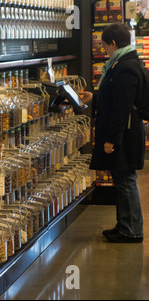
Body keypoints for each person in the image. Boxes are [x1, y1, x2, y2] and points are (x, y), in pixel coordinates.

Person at [80, 23, 146, 243]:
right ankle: (124, 225)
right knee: (122, 178)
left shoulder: (125, 67)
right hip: (125, 132)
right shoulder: (123, 62)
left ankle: (132, 230)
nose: (104, 49)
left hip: (124, 134)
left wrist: (111, 140)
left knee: (126, 179)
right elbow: (114, 99)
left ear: (113, 43)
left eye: (105, 45)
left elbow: (122, 107)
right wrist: (95, 98)